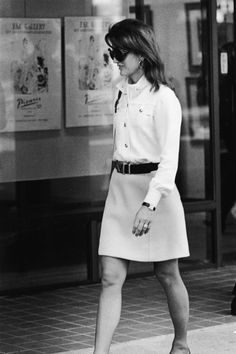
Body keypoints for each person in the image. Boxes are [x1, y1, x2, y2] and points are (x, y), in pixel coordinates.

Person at [94, 19, 190, 354]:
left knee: (167, 274)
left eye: (119, 52)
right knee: (110, 277)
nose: (115, 59)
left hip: (156, 192)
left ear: (142, 52)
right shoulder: (119, 90)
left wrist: (149, 205)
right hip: (120, 189)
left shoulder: (165, 99)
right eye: (111, 52)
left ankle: (181, 342)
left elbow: (169, 161)